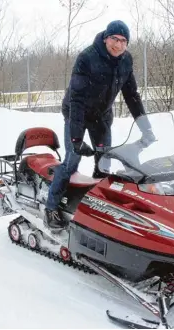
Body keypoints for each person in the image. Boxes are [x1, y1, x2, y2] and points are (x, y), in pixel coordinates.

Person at [45, 20, 155, 230]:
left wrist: (146, 128)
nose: (118, 45)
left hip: (101, 116)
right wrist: (76, 139)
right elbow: (76, 99)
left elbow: (132, 95)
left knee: (104, 162)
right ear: (106, 38)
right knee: (71, 161)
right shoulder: (87, 58)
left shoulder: (126, 61)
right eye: (114, 39)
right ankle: (51, 207)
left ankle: (95, 206)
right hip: (77, 112)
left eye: (124, 41)